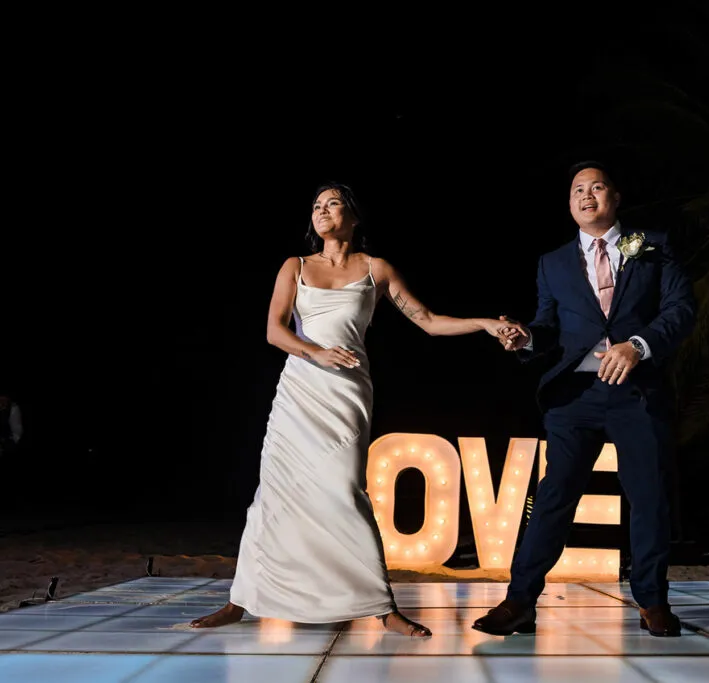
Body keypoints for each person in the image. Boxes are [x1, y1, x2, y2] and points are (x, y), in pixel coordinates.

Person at [191, 181, 519, 635]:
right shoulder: (296, 266)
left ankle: (381, 606)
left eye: (333, 203)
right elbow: (275, 331)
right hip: (300, 391)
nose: (322, 211)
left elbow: (427, 321)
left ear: (354, 214)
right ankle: (240, 600)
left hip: (345, 394)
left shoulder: (376, 269)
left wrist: (483, 323)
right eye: (316, 206)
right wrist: (315, 352)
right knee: (273, 494)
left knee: (345, 491)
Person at [473, 161, 697, 637]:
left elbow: (681, 309)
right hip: (575, 396)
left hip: (636, 393)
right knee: (554, 496)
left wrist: (638, 346)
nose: (586, 195)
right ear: (570, 203)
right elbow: (549, 329)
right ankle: (519, 601)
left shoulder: (653, 246)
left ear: (615, 198)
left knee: (648, 497)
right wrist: (525, 339)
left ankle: (653, 601)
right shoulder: (552, 263)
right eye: (577, 189)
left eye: (597, 187)